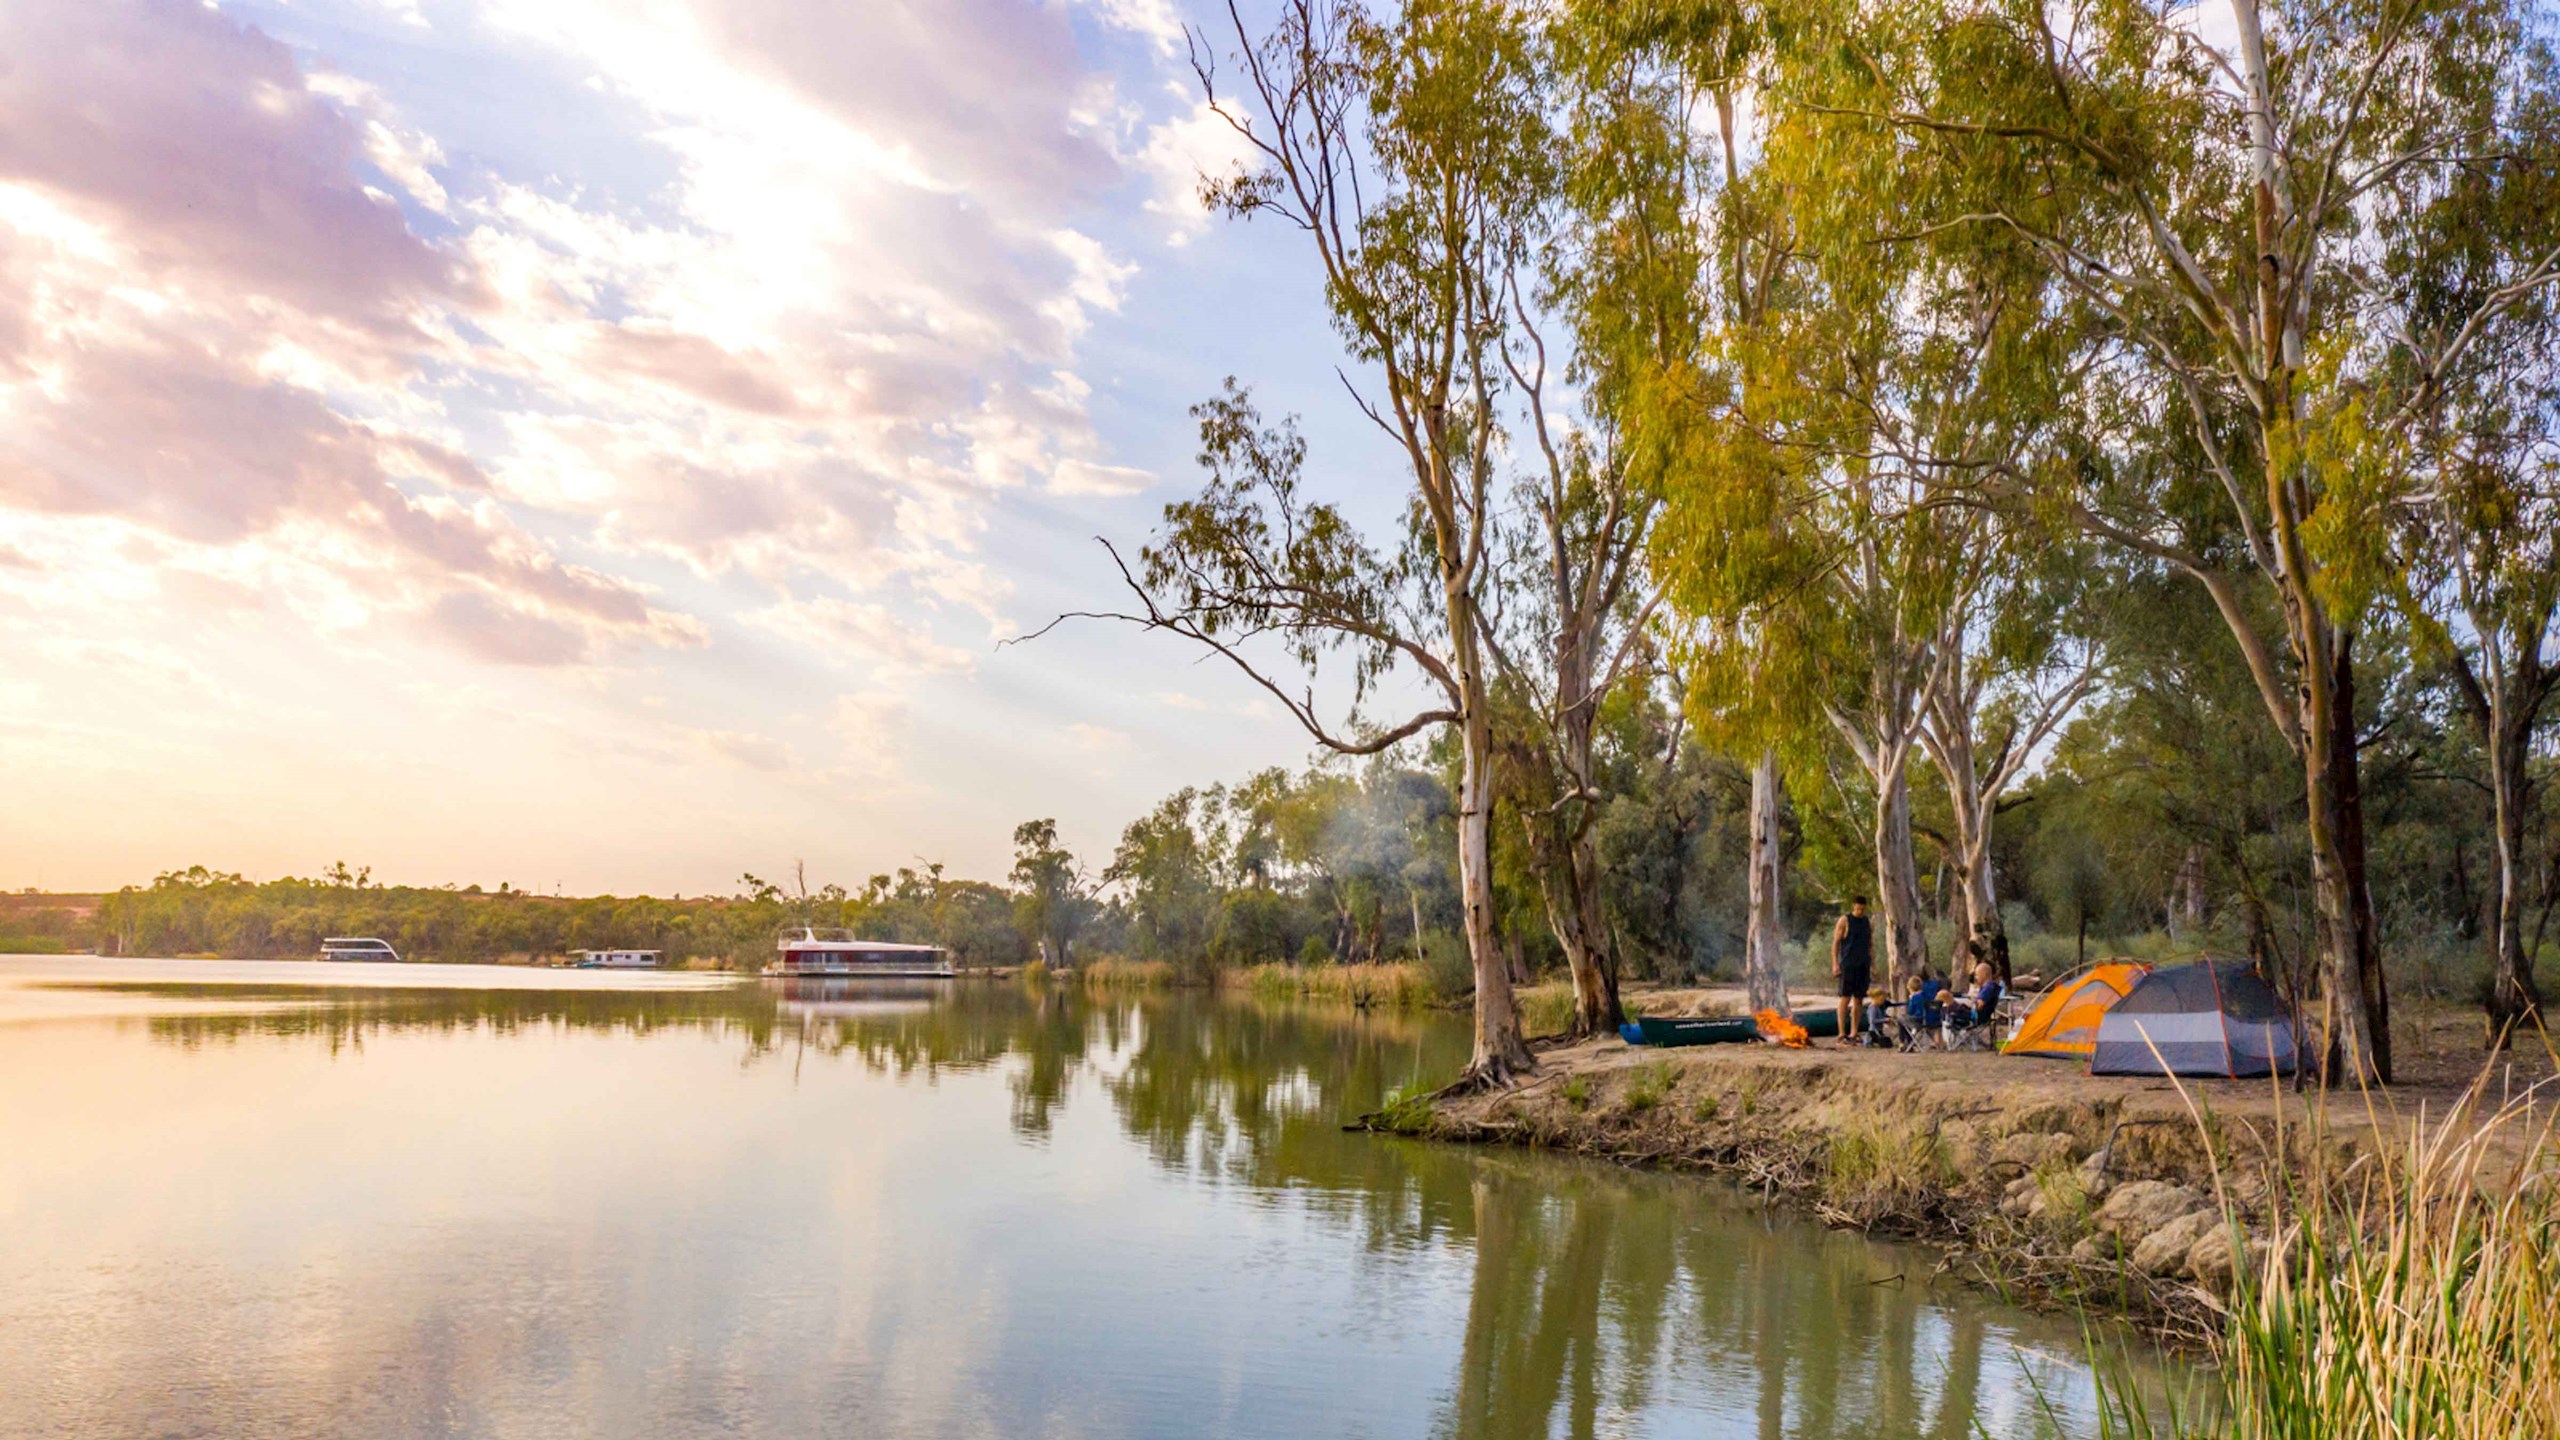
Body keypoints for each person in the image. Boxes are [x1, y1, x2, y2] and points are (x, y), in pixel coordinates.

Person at [1831, 896, 1872, 1045]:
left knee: (1859, 999)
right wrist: (1835, 964)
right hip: (1848, 964)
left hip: (1863, 964)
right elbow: (1836, 943)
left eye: (1862, 909)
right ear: (1853, 906)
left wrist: (1872, 965)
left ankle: (1854, 1032)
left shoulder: (1867, 922)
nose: (1860, 911)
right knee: (1845, 998)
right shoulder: (1845, 920)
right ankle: (1841, 1033)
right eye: (1858, 908)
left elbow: (1870, 944)